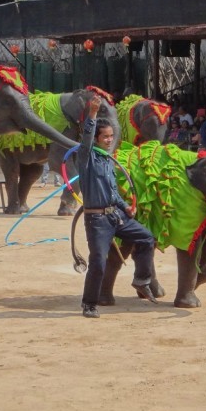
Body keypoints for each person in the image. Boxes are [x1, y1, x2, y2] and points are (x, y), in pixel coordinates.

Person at [78, 95, 156, 318]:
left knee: (146, 238)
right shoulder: (87, 158)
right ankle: (89, 304)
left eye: (112, 136)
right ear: (97, 138)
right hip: (97, 221)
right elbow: (85, 140)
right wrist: (93, 115)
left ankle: (141, 280)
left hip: (116, 216)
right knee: (98, 262)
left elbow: (112, 193)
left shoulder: (109, 161)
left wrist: (126, 207)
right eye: (105, 137)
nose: (109, 140)